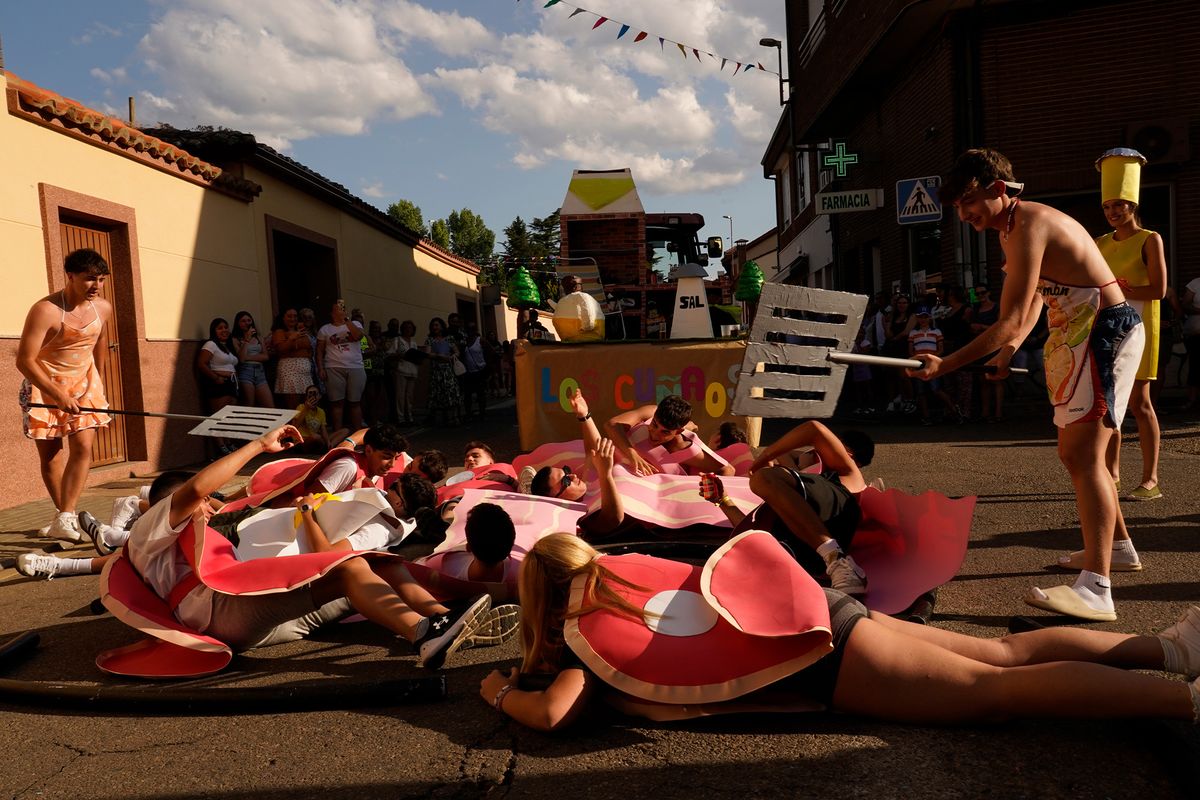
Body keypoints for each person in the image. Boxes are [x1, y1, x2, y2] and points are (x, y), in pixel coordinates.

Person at [479, 534, 1200, 731]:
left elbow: (551, 712)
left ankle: (1185, 702)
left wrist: (495, 692)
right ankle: (1174, 650)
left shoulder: (583, 631)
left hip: (819, 661)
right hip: (821, 611)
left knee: (994, 692)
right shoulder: (624, 567)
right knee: (1002, 654)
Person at [909, 148, 1145, 621]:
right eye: (957, 207)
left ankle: (1097, 588)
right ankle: (1116, 548)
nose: (964, 215)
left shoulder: (1030, 224)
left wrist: (947, 364)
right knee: (1075, 453)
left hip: (1103, 330)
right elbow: (1035, 299)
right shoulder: (1013, 231)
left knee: (1084, 455)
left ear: (998, 189)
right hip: (1080, 332)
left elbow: (1011, 317)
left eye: (969, 202)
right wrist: (1009, 351)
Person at [114, 427, 491, 668]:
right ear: (171, 502)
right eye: (203, 504)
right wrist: (260, 445)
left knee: (373, 564)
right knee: (348, 566)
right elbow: (196, 490)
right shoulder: (154, 527)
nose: (209, 506)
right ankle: (425, 633)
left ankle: (446, 618)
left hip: (248, 619)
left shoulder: (177, 535)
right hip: (221, 611)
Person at [702, 421, 873, 595]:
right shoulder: (793, 499)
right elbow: (756, 534)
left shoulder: (848, 475)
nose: (812, 451)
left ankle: (836, 558)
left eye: (821, 448)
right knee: (760, 548)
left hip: (831, 537)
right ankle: (836, 562)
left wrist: (765, 456)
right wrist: (722, 500)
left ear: (848, 454)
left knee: (762, 478)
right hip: (807, 560)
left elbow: (813, 429)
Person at [16, 247, 114, 541]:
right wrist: (57, 392)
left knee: (84, 447)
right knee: (52, 456)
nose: (96, 286)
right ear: (70, 276)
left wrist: (97, 382)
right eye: (89, 279)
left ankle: (66, 516)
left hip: (84, 385)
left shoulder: (103, 308)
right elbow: (24, 360)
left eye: (101, 279)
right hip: (44, 385)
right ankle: (65, 516)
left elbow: (100, 342)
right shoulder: (45, 310)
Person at [1095, 149, 1167, 501]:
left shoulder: (1150, 239)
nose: (1112, 212)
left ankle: (1150, 479)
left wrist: (1126, 290)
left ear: (1133, 206)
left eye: (1119, 205)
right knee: (1112, 402)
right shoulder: (1099, 243)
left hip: (1142, 324)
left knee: (1139, 401)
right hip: (1109, 327)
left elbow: (1160, 289)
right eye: (1108, 206)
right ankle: (1112, 473)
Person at [605, 395, 734, 477]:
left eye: (665, 432)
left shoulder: (684, 449)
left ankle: (691, 426)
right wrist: (632, 455)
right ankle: (690, 426)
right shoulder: (651, 412)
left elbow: (728, 470)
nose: (655, 434)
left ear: (678, 432)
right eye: (654, 425)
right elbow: (611, 424)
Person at [317, 299, 366, 433]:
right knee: (336, 403)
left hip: (355, 367)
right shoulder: (325, 329)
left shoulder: (355, 323)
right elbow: (320, 351)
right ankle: (338, 433)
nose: (342, 310)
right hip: (333, 367)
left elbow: (358, 336)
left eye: (343, 308)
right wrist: (321, 368)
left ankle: (358, 433)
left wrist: (347, 320)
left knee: (355, 402)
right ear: (332, 313)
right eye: (338, 308)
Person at [907, 307, 961, 425]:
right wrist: (919, 359)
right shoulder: (913, 333)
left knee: (936, 389)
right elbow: (911, 351)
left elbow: (940, 349)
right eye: (920, 317)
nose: (923, 319)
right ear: (917, 318)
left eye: (925, 316)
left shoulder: (936, 332)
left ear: (930, 318)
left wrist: (932, 359)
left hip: (932, 364)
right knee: (921, 391)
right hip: (919, 364)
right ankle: (927, 417)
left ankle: (954, 411)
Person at [196, 317, 239, 457]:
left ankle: (228, 442)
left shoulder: (226, 345)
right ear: (213, 331)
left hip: (231, 384)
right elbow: (202, 363)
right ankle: (220, 446)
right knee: (218, 416)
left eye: (226, 327)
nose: (224, 330)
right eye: (220, 328)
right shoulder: (211, 344)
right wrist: (216, 378)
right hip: (218, 384)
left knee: (229, 417)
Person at [970, 285, 1005, 423]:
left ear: (988, 292)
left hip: (995, 346)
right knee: (983, 380)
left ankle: (998, 412)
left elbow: (1002, 326)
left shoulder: (996, 307)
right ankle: (985, 412)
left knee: (997, 379)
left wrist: (982, 327)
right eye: (978, 294)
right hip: (981, 347)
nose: (980, 295)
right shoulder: (975, 309)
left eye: (983, 292)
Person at [422, 317, 463, 427]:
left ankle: (454, 417)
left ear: (441, 326)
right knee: (438, 394)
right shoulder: (429, 340)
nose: (435, 327)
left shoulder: (449, 339)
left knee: (451, 393)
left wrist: (452, 356)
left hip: (448, 371)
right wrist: (438, 356)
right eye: (433, 325)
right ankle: (441, 418)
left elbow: (457, 352)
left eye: (437, 325)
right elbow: (427, 354)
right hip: (437, 371)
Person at [270, 308, 312, 410]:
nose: (293, 318)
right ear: (283, 318)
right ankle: (293, 426)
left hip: (304, 373)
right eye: (289, 316)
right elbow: (281, 349)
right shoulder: (279, 332)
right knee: (294, 407)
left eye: (295, 316)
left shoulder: (301, 330)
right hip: (290, 371)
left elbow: (308, 347)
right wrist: (291, 338)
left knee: (306, 406)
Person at [232, 311, 273, 409]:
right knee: (249, 404)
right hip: (246, 371)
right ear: (238, 323)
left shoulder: (259, 338)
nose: (247, 323)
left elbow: (265, 356)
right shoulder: (235, 339)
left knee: (270, 406)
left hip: (260, 372)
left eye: (249, 320)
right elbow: (241, 358)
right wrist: (246, 340)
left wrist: (248, 357)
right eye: (243, 321)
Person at [290, 385, 349, 453]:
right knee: (315, 437)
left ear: (320, 396)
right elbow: (294, 427)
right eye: (310, 394)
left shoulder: (321, 411)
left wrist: (328, 442)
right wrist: (306, 409)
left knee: (345, 431)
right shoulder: (301, 407)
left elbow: (324, 431)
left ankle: (330, 447)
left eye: (315, 394)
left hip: (317, 440)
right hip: (302, 441)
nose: (313, 396)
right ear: (306, 397)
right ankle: (324, 448)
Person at [551, 275, 604, 342]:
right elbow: (587, 310)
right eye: (581, 284)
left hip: (568, 339)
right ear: (576, 286)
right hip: (591, 337)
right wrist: (588, 326)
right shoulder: (582, 296)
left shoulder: (562, 301)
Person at [390, 320, 420, 425]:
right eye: (406, 327)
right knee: (400, 396)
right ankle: (401, 418)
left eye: (410, 328)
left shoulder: (413, 342)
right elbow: (390, 353)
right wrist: (400, 356)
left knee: (409, 396)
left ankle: (409, 417)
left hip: (412, 371)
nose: (408, 330)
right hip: (401, 370)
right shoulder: (397, 340)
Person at [461, 322, 489, 420]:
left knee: (480, 393)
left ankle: (482, 412)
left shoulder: (480, 340)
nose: (470, 331)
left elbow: (489, 351)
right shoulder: (464, 342)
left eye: (472, 329)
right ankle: (469, 413)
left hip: (479, 371)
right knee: (467, 394)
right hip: (468, 372)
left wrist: (487, 367)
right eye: (469, 329)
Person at [1182, 276, 1200, 412]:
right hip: (1195, 333)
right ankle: (1192, 400)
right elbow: (1185, 305)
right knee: (1195, 365)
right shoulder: (1195, 283)